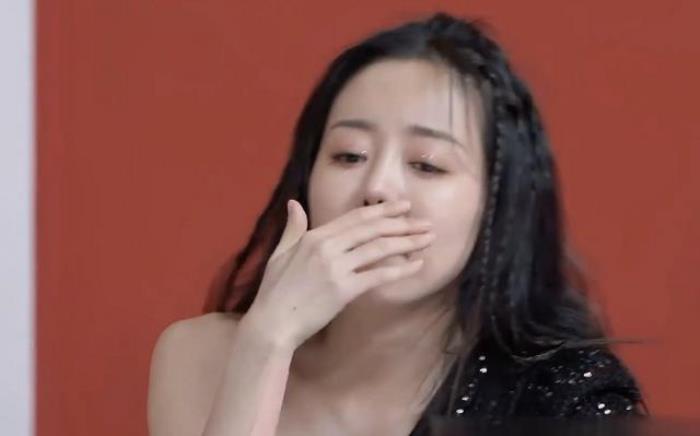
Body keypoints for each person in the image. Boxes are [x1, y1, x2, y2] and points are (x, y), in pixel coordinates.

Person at [147, 12, 647, 436]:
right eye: (349, 155)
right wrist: (268, 342)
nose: (377, 187)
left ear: (497, 204)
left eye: (427, 164)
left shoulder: (562, 399)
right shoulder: (200, 357)